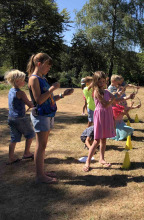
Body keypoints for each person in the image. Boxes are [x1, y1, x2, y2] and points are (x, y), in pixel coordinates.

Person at [27, 52, 74, 184]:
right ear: (39, 64)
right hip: (40, 115)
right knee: (40, 146)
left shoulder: (42, 78)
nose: (49, 68)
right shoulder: (34, 79)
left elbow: (49, 99)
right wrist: (52, 89)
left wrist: (63, 95)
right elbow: (39, 100)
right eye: (48, 65)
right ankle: (39, 176)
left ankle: (41, 171)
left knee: (43, 145)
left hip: (47, 115)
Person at [83, 71, 134, 172]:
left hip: (107, 115)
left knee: (104, 139)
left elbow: (116, 99)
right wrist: (113, 98)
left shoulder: (106, 91)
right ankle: (88, 161)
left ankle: (102, 159)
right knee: (97, 140)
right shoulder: (96, 92)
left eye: (103, 81)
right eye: (100, 81)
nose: (102, 83)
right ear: (96, 82)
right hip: (100, 116)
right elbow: (106, 104)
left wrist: (127, 97)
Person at [4, 70, 35, 165]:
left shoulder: (11, 90)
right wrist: (36, 102)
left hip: (11, 118)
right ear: (17, 81)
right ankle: (26, 153)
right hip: (20, 118)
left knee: (14, 138)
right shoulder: (21, 93)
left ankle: (11, 158)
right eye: (23, 80)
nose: (24, 82)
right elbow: (30, 104)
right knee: (30, 134)